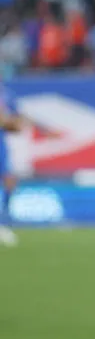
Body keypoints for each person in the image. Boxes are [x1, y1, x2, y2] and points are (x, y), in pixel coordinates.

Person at [0, 80, 26, 247]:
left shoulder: (7, 94)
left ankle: (4, 222)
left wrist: (8, 122)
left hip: (1, 144)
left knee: (9, 181)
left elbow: (17, 124)